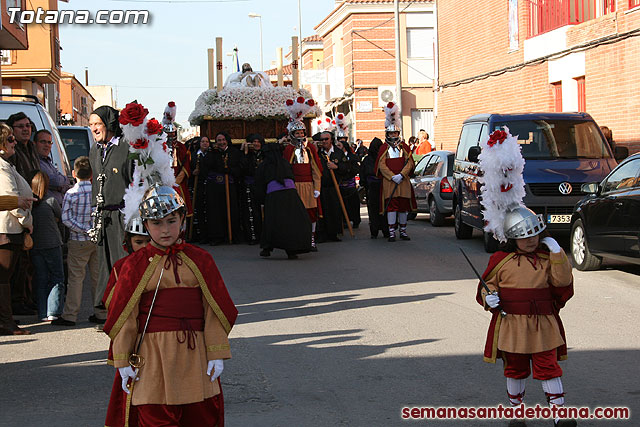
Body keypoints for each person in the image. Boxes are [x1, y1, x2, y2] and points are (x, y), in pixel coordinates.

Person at [103, 184, 237, 427]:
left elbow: (214, 310)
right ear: (145, 225)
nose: (165, 230)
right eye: (156, 223)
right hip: (151, 355)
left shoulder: (201, 260)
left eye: (171, 220)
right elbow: (125, 317)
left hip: (195, 355)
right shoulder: (134, 266)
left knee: (200, 417)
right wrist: (122, 360)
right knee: (155, 417)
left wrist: (216, 352)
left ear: (182, 219)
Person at [477, 208, 576, 427]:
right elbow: (487, 285)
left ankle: (560, 415)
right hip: (512, 324)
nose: (531, 241)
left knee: (548, 367)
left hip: (543, 323)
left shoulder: (547, 257)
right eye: (524, 237)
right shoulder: (501, 259)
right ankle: (517, 414)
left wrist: (557, 252)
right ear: (513, 238)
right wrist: (488, 297)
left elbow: (562, 282)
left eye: (534, 235)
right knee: (515, 369)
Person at [89, 105, 133, 324]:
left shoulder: (126, 148)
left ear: (110, 125)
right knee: (103, 266)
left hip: (121, 215)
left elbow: (135, 180)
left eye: (98, 124)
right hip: (102, 217)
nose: (94, 129)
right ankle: (106, 311)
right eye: (91, 125)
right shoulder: (95, 149)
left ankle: (126, 310)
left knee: (122, 262)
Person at [52, 157, 99, 326]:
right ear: (92, 174)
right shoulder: (97, 192)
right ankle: (101, 311)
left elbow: (66, 218)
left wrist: (82, 229)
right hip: (96, 240)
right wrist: (93, 229)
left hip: (78, 240)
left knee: (75, 278)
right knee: (97, 277)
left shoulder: (71, 193)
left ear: (74, 173)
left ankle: (71, 314)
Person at [0, 123, 33, 335]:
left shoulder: (6, 164)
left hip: (10, 228)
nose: (15, 142)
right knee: (3, 280)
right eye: (10, 139)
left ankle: (5, 318)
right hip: (8, 229)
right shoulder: (2, 167)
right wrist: (27, 224)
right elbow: (10, 199)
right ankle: (5, 322)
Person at [255, 143, 312, 259]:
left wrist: (261, 200)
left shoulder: (264, 165)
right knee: (291, 222)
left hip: (274, 197)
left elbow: (259, 185)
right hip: (291, 196)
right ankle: (291, 250)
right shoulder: (285, 163)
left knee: (272, 222)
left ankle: (267, 247)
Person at [282, 97, 322, 251]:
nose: (299, 135)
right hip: (295, 186)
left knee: (311, 213)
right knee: (295, 215)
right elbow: (286, 170)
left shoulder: (310, 148)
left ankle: (311, 239)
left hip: (309, 186)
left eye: (301, 132)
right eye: (297, 133)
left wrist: (317, 187)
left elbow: (316, 169)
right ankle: (298, 239)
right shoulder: (288, 149)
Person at [376, 102, 417, 242]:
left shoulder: (404, 146)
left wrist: (401, 175)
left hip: (403, 181)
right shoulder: (383, 148)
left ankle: (403, 231)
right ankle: (392, 231)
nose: (393, 135)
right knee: (392, 207)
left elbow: (410, 162)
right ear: (387, 133)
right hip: (389, 182)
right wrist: (392, 177)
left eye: (395, 133)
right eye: (391, 133)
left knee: (403, 206)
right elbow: (381, 165)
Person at [28, 170, 65, 322]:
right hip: (53, 243)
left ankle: (42, 312)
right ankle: (53, 311)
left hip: (36, 245)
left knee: (41, 278)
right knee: (57, 277)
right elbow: (60, 216)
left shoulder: (30, 203)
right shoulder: (50, 200)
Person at [204, 131, 242, 245]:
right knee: (216, 212)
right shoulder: (212, 153)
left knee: (232, 209)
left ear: (227, 141)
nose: (221, 142)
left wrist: (229, 170)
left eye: (223, 140)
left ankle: (232, 235)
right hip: (215, 188)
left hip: (230, 186)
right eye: (219, 140)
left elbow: (240, 168)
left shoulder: (234, 152)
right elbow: (207, 166)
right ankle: (217, 236)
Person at [164, 102, 193, 221]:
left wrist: (176, 181)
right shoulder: (158, 146)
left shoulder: (181, 147)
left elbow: (186, 164)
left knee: (181, 212)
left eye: (172, 133)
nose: (170, 135)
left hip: (178, 184)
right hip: (163, 183)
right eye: (168, 133)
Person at [317, 131, 348, 242]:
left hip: (334, 186)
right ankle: (322, 234)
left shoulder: (338, 153)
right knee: (322, 210)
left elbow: (346, 168)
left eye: (326, 139)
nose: (324, 141)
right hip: (321, 187)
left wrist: (337, 166)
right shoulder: (317, 153)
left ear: (331, 140)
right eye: (322, 139)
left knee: (334, 209)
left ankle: (333, 234)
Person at [360, 138, 389, 239]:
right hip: (380, 186)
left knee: (374, 210)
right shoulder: (383, 158)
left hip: (374, 187)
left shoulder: (369, 159)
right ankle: (385, 230)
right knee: (383, 208)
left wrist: (363, 183)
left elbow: (362, 174)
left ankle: (375, 230)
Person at [34, 129, 70, 207]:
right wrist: (61, 183)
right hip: (47, 207)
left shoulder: (48, 162)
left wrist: (60, 186)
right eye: (43, 142)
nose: (47, 145)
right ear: (35, 143)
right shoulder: (36, 162)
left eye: (49, 142)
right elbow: (56, 181)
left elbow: (65, 181)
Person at [240, 134, 264, 245]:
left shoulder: (265, 154)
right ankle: (253, 236)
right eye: (254, 142)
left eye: (258, 141)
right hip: (250, 185)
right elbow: (243, 169)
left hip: (263, 185)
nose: (256, 144)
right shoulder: (246, 155)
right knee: (251, 211)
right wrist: (245, 153)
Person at [335, 135, 361, 230]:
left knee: (353, 204)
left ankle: (355, 221)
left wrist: (348, 172)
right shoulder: (336, 156)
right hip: (340, 184)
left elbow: (356, 168)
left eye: (339, 146)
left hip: (350, 184)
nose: (337, 148)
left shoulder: (352, 157)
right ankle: (344, 221)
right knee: (343, 204)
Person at [189, 136, 211, 243]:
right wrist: (193, 172)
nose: (205, 143)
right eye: (203, 142)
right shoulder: (193, 155)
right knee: (200, 210)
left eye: (207, 142)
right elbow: (189, 169)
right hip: (198, 185)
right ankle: (201, 235)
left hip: (210, 185)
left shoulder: (212, 154)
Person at [7, 112, 39, 180]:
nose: (25, 129)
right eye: (20, 126)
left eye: (28, 125)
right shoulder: (11, 150)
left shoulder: (33, 147)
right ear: (11, 130)